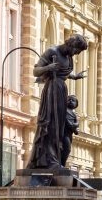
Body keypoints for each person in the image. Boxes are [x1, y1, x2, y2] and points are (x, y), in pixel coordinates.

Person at [27, 34, 89, 170]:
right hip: (51, 91)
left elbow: (63, 73)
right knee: (49, 124)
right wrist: (48, 68)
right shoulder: (52, 51)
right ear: (71, 44)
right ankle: (46, 160)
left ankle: (55, 159)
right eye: (77, 50)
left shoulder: (69, 58)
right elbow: (36, 71)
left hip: (61, 90)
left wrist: (74, 76)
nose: (77, 53)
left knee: (59, 127)